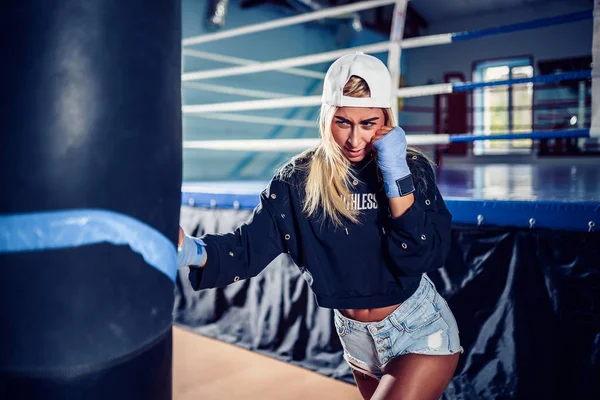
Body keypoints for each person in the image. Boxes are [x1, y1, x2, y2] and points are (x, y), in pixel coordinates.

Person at [177, 52, 462, 400]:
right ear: (327, 117)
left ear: (386, 119)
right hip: (356, 339)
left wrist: (395, 174)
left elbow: (424, 255)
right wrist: (189, 250)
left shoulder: (411, 168)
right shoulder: (297, 181)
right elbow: (246, 250)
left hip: (419, 328)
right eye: (343, 122)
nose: (355, 140)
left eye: (369, 123)